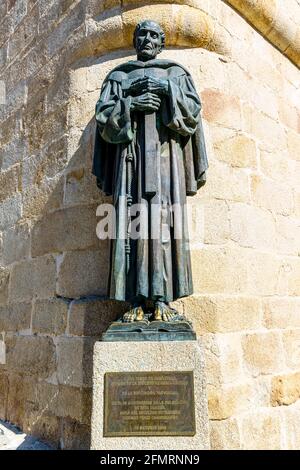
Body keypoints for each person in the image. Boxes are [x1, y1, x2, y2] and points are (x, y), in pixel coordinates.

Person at [93, 20, 208, 322]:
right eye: (142, 34)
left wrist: (167, 89)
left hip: (167, 162)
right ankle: (134, 300)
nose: (147, 39)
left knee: (163, 225)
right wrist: (130, 105)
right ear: (134, 40)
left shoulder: (175, 73)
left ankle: (161, 299)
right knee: (130, 225)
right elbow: (104, 119)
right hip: (129, 163)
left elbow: (192, 113)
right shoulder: (119, 76)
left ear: (162, 42)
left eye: (154, 35)